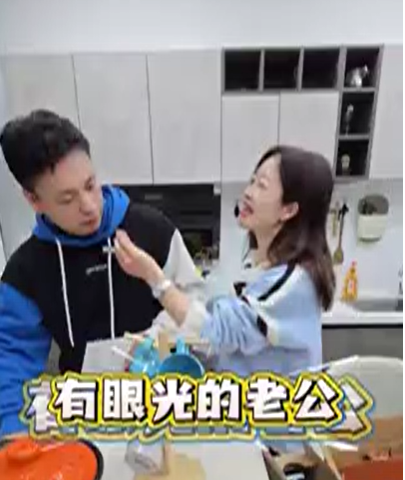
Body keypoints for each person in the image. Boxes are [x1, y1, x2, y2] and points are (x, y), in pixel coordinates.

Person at [0, 109, 203, 436]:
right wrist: (14, 439)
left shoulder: (152, 230)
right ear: (34, 200)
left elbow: (196, 307)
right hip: (86, 417)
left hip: (161, 404)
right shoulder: (25, 272)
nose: (89, 206)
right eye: (67, 198)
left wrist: (156, 338)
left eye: (90, 185)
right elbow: (10, 365)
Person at [113, 145, 336, 378]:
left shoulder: (293, 284)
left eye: (262, 185)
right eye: (252, 181)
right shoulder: (259, 270)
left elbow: (216, 332)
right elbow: (225, 337)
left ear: (288, 210)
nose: (248, 192)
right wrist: (159, 340)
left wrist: (153, 276)